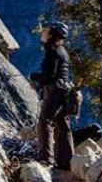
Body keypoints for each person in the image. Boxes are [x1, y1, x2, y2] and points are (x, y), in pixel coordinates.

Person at [30, 22, 74, 171]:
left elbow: (50, 76)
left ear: (52, 35)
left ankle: (45, 158)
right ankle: (66, 161)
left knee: (44, 121)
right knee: (62, 123)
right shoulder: (61, 51)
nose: (43, 32)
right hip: (64, 90)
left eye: (46, 31)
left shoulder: (53, 51)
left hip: (55, 90)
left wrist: (33, 77)